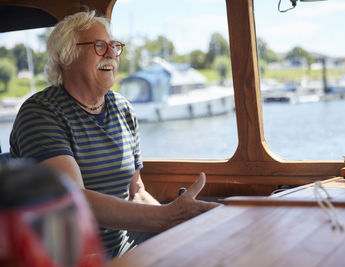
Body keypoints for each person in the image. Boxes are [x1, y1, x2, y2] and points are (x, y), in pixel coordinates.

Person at [9, 10, 219, 259]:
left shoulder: (122, 108)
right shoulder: (41, 112)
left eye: (114, 46)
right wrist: (166, 216)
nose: (111, 53)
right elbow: (74, 200)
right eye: (99, 46)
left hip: (125, 250)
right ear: (67, 58)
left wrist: (180, 224)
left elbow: (136, 191)